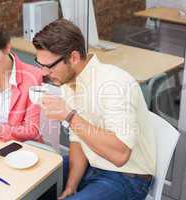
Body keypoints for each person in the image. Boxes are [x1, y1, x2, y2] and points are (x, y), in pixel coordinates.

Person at [32, 19, 156, 200]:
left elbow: (121, 155)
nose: (43, 73)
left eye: (48, 66)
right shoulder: (69, 83)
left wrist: (70, 116)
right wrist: (70, 186)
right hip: (92, 163)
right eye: (39, 64)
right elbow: (77, 140)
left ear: (73, 58)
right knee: (33, 184)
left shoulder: (115, 84)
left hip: (127, 176)